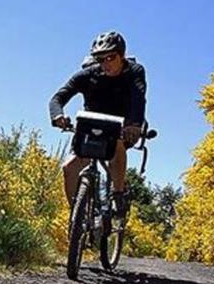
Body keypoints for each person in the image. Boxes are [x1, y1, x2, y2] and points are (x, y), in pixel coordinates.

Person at [48, 31, 147, 217]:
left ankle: (117, 194)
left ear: (122, 55)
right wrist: (58, 115)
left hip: (122, 128)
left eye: (111, 57)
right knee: (69, 168)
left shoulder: (135, 71)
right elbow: (58, 98)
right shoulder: (88, 75)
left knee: (116, 141)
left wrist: (135, 124)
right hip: (90, 127)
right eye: (100, 59)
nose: (106, 63)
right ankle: (77, 216)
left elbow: (139, 99)